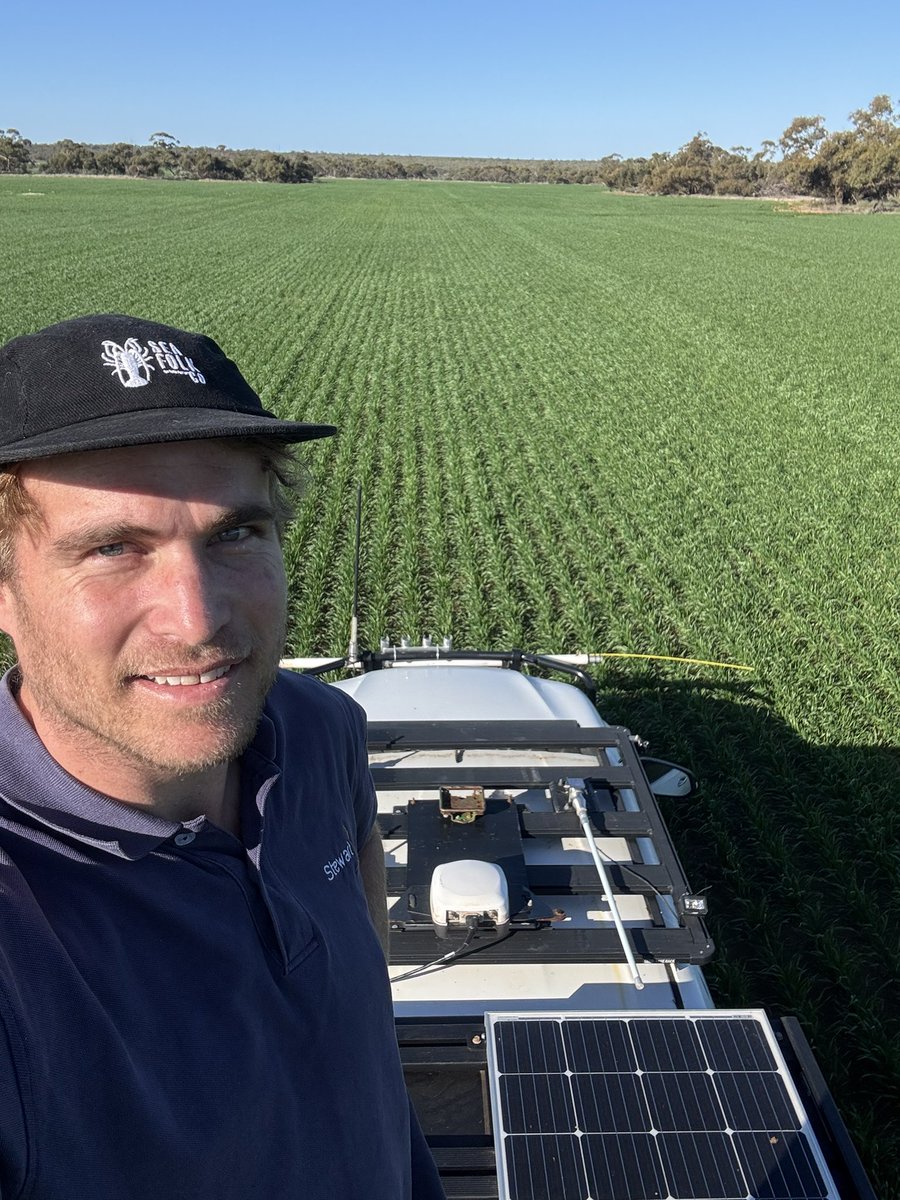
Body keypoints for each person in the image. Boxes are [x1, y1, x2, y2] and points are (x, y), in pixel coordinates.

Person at [0, 314, 446, 1199]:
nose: (198, 619)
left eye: (234, 534)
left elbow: (362, 977)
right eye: (112, 548)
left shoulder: (318, 731)